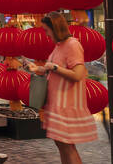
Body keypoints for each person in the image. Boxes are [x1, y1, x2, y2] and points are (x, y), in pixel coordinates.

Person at [27, 12, 97, 164]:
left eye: (47, 30)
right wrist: (38, 69)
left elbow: (78, 74)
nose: (46, 35)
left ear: (55, 28)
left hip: (67, 103)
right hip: (57, 103)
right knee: (62, 144)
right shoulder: (59, 47)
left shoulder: (72, 45)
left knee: (67, 146)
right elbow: (53, 69)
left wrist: (54, 67)